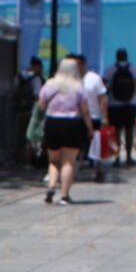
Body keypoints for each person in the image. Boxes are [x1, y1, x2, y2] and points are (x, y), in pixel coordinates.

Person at [36, 56, 91, 206]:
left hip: (52, 123)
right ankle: (65, 195)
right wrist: (89, 128)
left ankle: (51, 186)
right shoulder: (78, 86)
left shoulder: (50, 84)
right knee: (68, 161)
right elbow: (85, 111)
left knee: (53, 160)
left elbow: (41, 105)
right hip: (72, 124)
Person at [105, 50, 136, 166]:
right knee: (129, 130)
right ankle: (129, 156)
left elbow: (104, 83)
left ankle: (117, 157)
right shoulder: (134, 68)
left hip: (114, 105)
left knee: (117, 132)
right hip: (130, 104)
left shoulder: (110, 69)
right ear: (126, 57)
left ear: (117, 57)